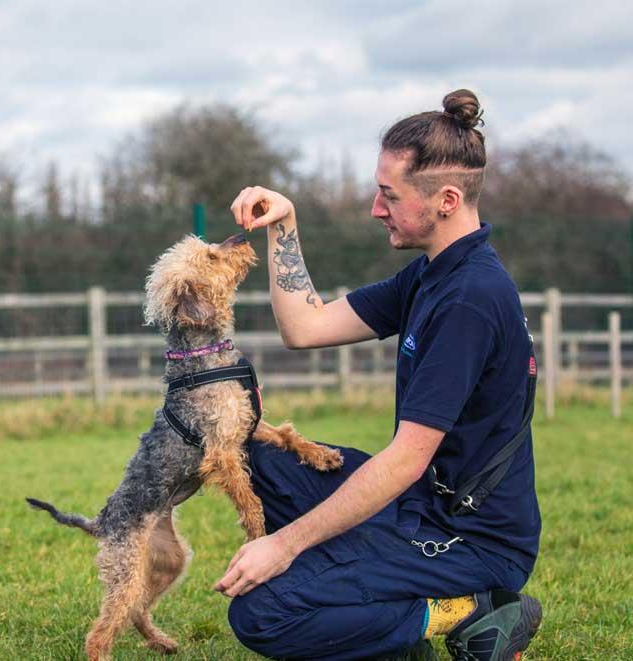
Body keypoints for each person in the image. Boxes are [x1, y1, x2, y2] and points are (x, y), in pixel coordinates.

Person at [215, 90, 542, 661]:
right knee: (257, 456)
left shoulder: (470, 299)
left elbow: (406, 458)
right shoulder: (430, 276)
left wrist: (284, 547)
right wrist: (283, 225)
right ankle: (387, 632)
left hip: (470, 539)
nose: (375, 207)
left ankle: (467, 609)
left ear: (445, 199)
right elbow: (307, 328)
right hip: (417, 504)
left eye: (389, 195)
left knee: (263, 612)